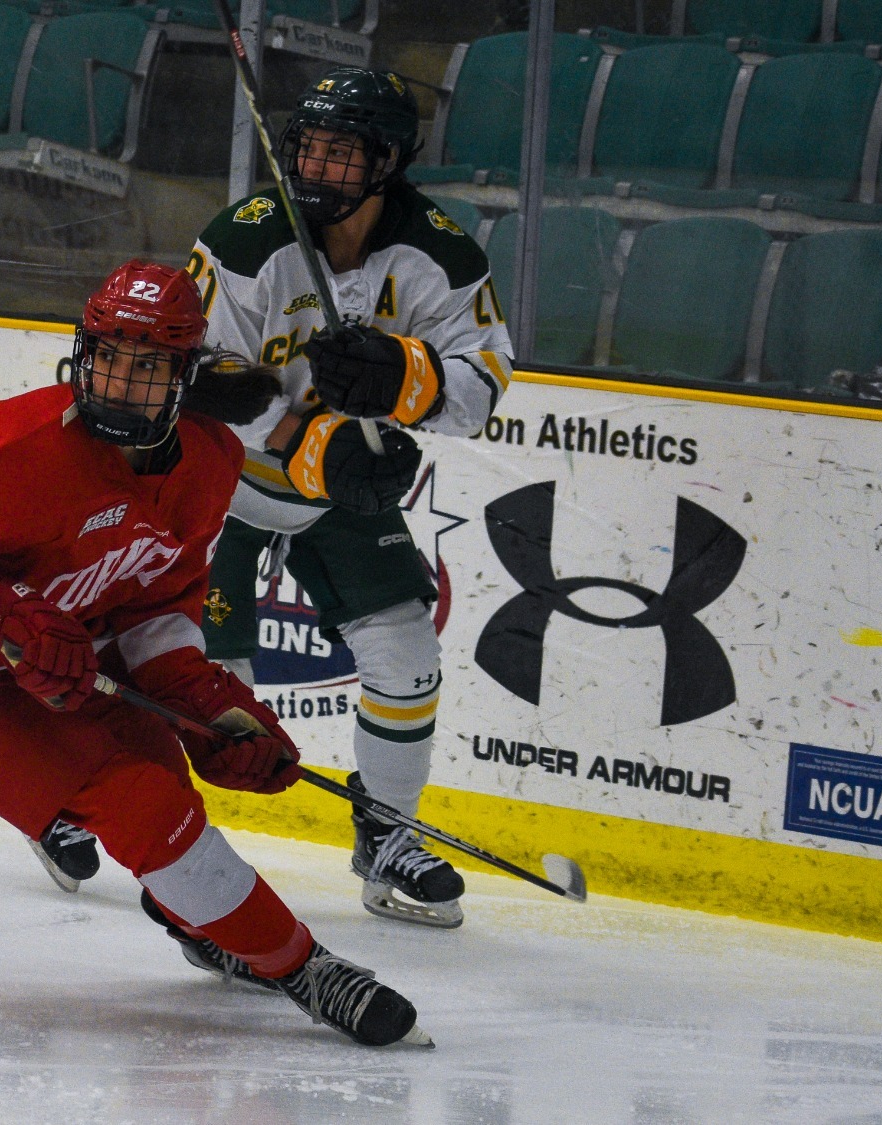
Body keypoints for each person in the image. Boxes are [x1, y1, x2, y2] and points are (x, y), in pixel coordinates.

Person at [0, 260, 430, 1048]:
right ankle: (304, 966)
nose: (121, 383)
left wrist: (213, 710)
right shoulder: (17, 449)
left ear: (183, 375)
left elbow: (160, 610)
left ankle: (199, 920)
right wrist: (4, 618)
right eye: (109, 358)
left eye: (148, 366)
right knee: (147, 809)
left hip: (79, 658)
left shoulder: (209, 462)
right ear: (82, 353)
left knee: (171, 797)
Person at [178, 66, 517, 929]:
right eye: (310, 150)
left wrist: (405, 377)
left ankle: (386, 835)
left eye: (341, 153)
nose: (317, 168)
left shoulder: (441, 253)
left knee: (407, 652)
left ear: (389, 162)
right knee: (210, 690)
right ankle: (91, 809)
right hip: (221, 489)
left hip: (333, 497)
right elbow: (197, 383)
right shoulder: (248, 241)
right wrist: (307, 438)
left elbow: (480, 387)